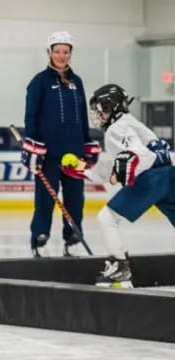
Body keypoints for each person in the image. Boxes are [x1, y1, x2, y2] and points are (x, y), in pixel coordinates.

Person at [62, 84, 175, 288]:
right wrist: (84, 169)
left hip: (151, 179)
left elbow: (138, 155)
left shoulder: (117, 128)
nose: (98, 114)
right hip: (168, 175)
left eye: (100, 109)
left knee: (108, 217)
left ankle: (120, 268)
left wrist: (129, 162)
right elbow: (113, 163)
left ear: (110, 106)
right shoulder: (127, 122)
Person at [22, 30, 101, 257]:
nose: (61, 55)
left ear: (71, 53)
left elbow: (83, 118)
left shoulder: (77, 82)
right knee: (45, 198)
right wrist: (34, 148)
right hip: (48, 155)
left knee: (76, 199)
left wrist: (87, 144)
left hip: (75, 155)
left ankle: (73, 237)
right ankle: (40, 238)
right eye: (57, 51)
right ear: (49, 53)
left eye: (65, 51)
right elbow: (30, 117)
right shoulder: (39, 82)